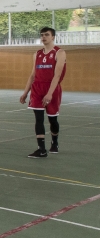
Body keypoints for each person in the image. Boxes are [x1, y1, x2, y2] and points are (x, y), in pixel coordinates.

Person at [20, 27, 67, 158]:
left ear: (53, 37)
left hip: (52, 88)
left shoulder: (60, 52)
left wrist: (50, 93)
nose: (43, 37)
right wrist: (25, 93)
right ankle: (41, 149)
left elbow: (57, 76)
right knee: (38, 119)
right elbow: (32, 75)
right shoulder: (37, 54)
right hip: (37, 89)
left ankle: (55, 142)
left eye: (47, 34)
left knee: (53, 120)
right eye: (42, 35)